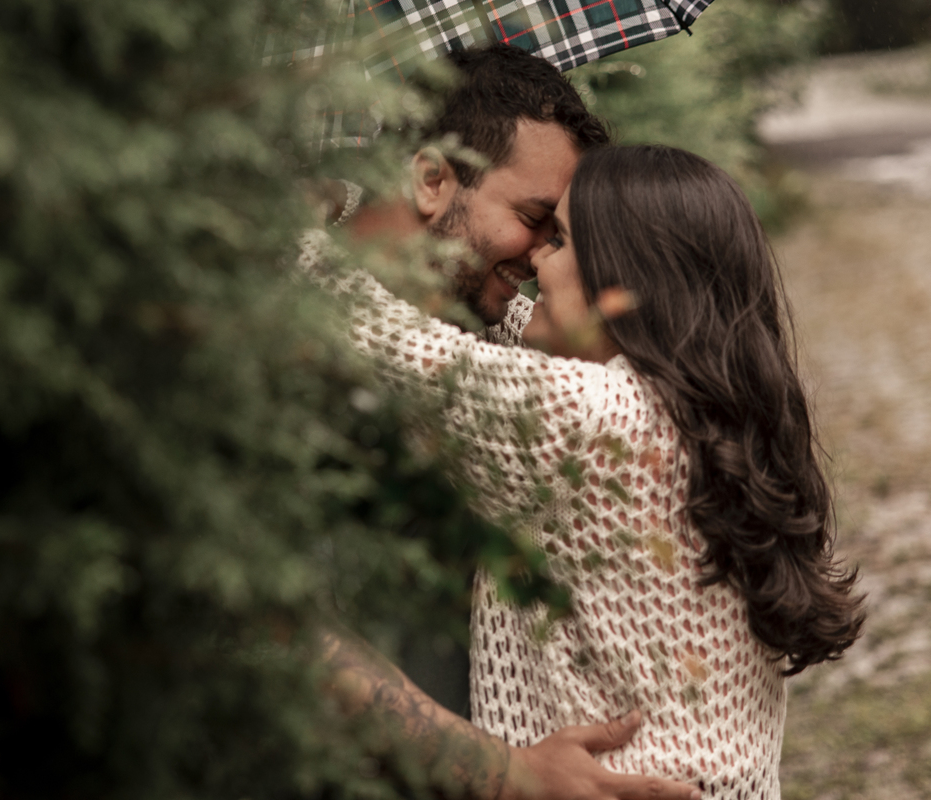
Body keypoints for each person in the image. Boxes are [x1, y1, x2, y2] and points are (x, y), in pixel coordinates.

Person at [301, 144, 866, 798]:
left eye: (560, 239)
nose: (535, 257)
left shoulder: (597, 421)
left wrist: (312, 212)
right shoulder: (700, 408)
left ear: (628, 281)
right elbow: (507, 321)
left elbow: (383, 336)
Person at [310, 46, 705, 800]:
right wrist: (501, 773)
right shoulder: (286, 343)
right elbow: (267, 626)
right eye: (535, 221)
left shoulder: (478, 331)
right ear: (432, 179)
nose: (543, 256)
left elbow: (565, 339)